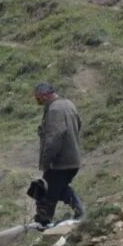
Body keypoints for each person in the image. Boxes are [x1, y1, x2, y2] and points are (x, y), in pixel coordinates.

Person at [33, 82, 85, 227]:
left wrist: (46, 161)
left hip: (59, 162)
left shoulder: (54, 110)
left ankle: (44, 222)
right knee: (60, 188)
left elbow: (54, 138)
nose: (37, 102)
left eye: (38, 98)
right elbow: (78, 125)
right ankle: (80, 212)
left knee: (48, 192)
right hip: (73, 158)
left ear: (45, 95)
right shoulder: (68, 104)